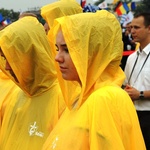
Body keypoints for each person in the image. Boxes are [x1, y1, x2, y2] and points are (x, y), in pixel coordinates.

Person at [42, 10, 146, 150]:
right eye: (57, 49)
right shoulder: (81, 96)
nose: (57, 57)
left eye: (67, 50)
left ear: (93, 52)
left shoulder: (105, 98)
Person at [0, 16, 65, 150]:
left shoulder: (63, 98)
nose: (6, 67)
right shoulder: (16, 95)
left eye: (12, 59)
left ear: (30, 54)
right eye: (4, 59)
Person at [123, 12, 150, 150]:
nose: (132, 31)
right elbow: (126, 84)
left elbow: (136, 92)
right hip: (132, 116)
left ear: (149, 28)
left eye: (137, 27)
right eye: (131, 27)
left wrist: (140, 94)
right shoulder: (131, 58)